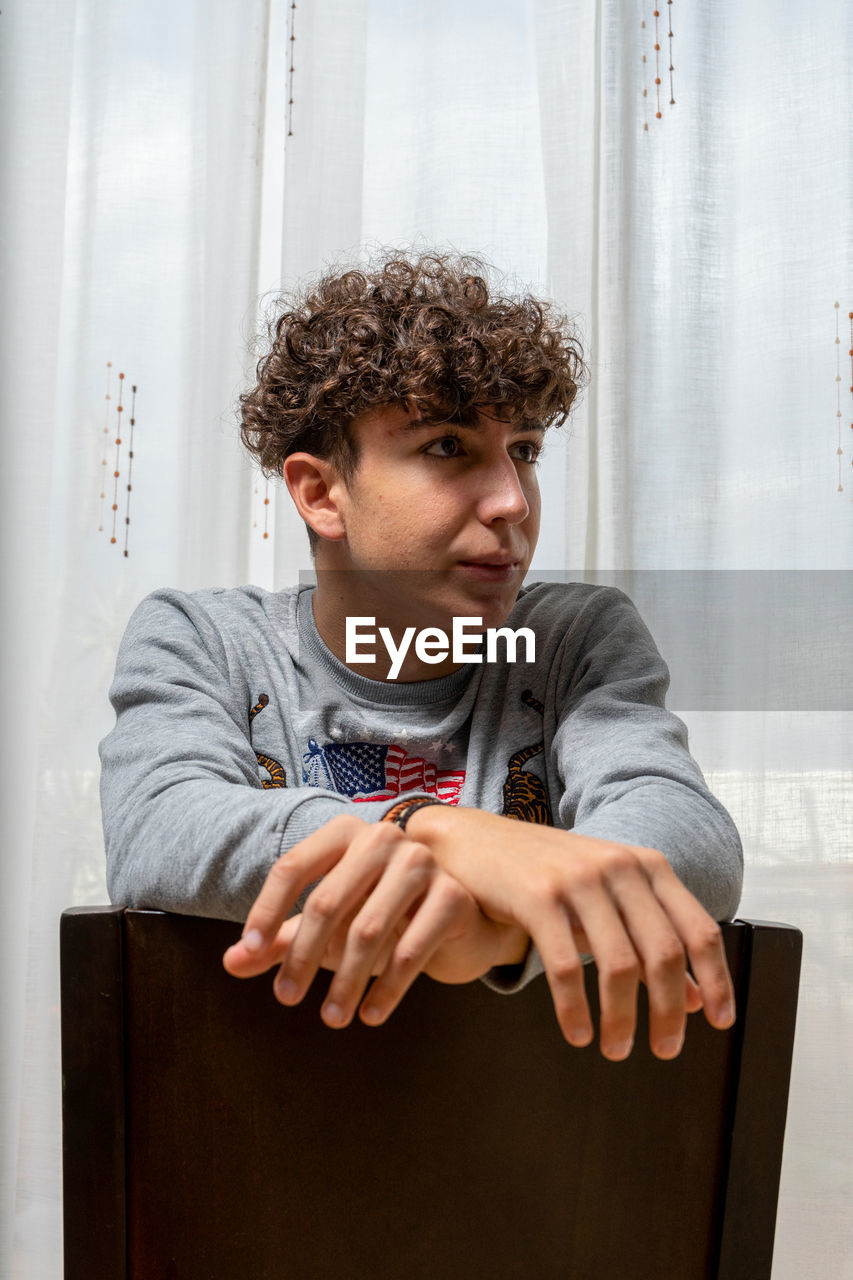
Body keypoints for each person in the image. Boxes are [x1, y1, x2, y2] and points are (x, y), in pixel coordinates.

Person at [100, 251, 742, 1063]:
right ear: (320, 493)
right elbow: (158, 832)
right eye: (447, 446)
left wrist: (490, 937)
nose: (512, 500)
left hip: (528, 1155)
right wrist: (441, 833)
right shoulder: (203, 639)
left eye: (525, 449)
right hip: (256, 1142)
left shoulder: (575, 639)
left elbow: (688, 842)